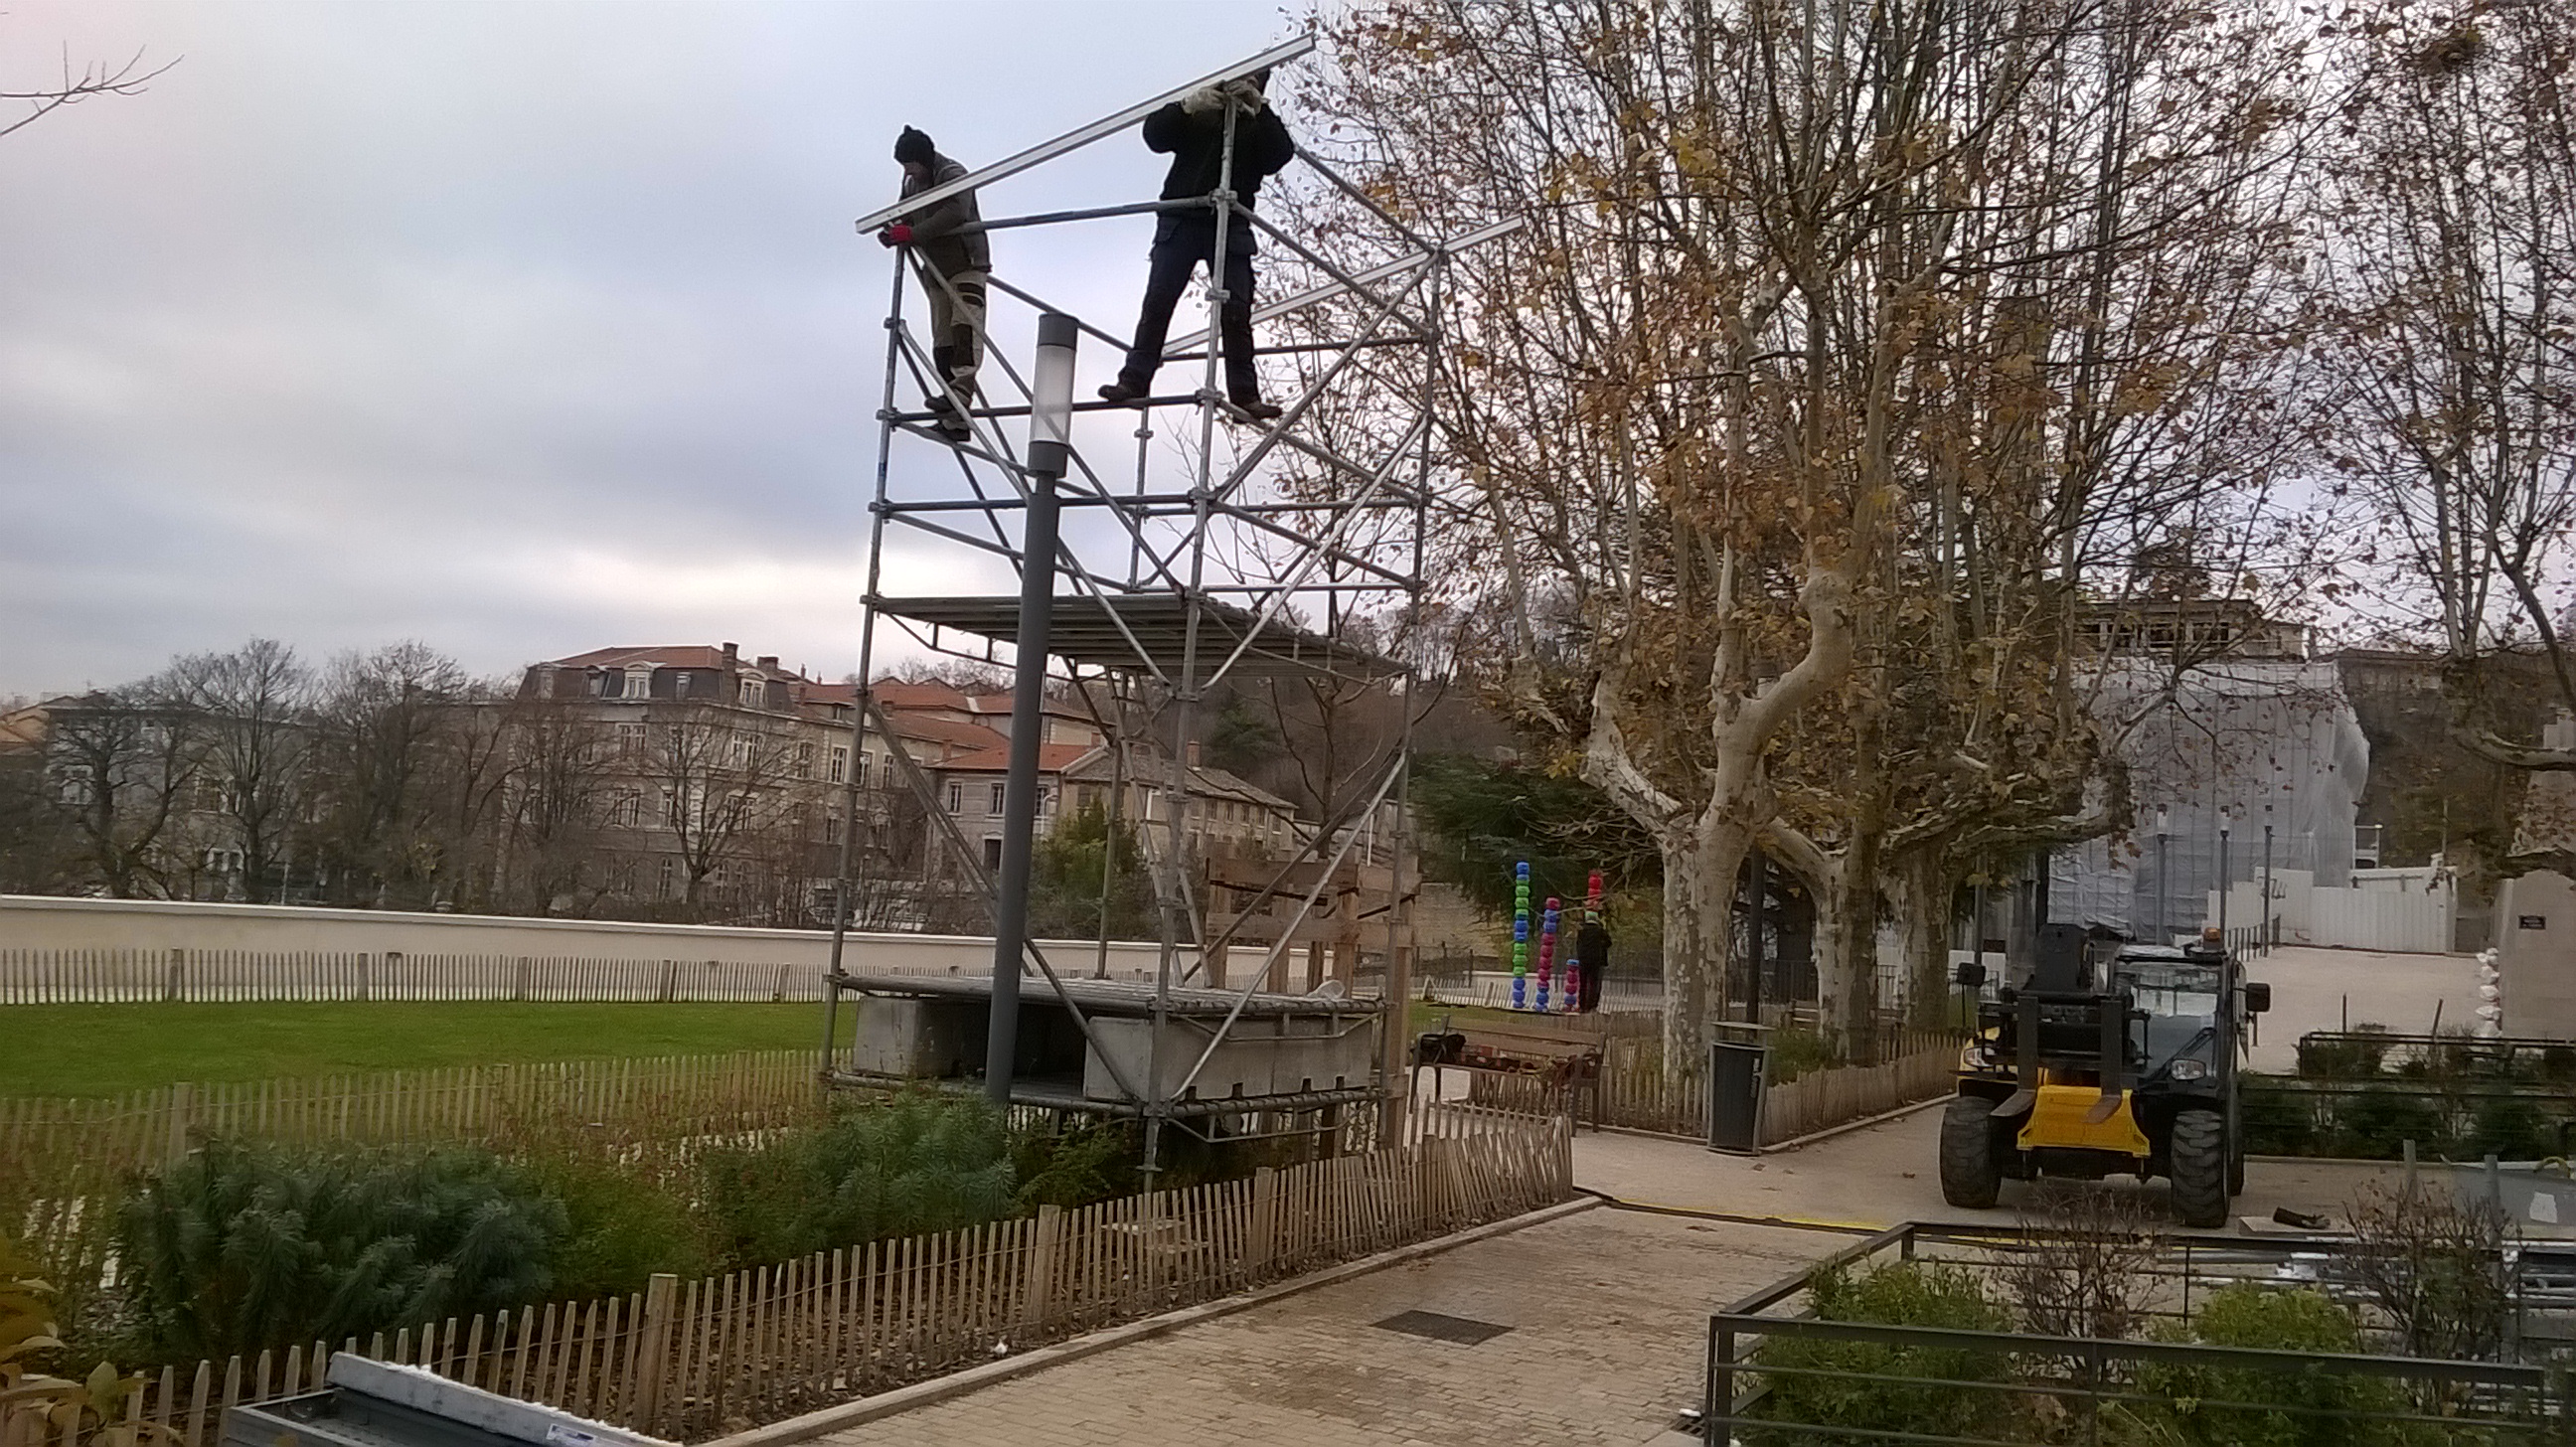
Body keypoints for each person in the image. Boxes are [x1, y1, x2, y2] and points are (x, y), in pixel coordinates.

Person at [1096, 70, 1295, 421]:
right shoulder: (1201, 112)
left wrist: (1260, 110)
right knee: (1159, 300)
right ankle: (1134, 381)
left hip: (1229, 222)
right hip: (1184, 217)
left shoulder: (1255, 125)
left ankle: (1245, 396)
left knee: (1236, 311)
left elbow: (1279, 155)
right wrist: (1187, 106)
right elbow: (1155, 136)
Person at [879, 126, 988, 440]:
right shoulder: (911, 183)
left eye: (911, 164)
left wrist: (912, 234)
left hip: (967, 264)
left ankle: (959, 399)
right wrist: (894, 230)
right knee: (943, 339)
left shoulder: (952, 173)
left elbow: (955, 211)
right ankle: (953, 419)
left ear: (924, 158)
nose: (907, 171)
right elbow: (904, 214)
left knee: (964, 331)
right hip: (937, 270)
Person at [1574, 914, 1610, 1013]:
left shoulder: (1582, 931)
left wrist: (1581, 956)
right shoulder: (1600, 931)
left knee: (1583, 983)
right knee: (1593, 983)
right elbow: (1608, 942)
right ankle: (1591, 1006)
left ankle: (1582, 1005)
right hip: (1596, 961)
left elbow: (1578, 945)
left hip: (1583, 961)